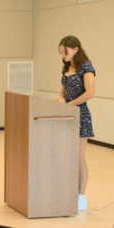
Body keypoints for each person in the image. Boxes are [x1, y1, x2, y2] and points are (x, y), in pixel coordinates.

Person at [56, 35, 95, 211]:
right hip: (67, 117)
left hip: (81, 116)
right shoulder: (66, 69)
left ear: (76, 49)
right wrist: (60, 99)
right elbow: (62, 93)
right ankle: (67, 192)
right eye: (61, 51)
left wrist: (69, 106)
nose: (63, 54)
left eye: (66, 51)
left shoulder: (86, 67)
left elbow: (89, 93)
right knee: (67, 157)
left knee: (79, 158)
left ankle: (81, 197)